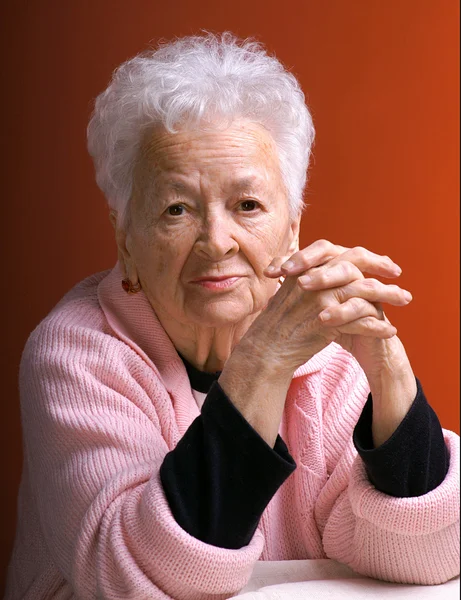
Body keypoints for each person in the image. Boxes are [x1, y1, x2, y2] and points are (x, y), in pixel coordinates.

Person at [5, 32, 459, 600]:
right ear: (126, 241)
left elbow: (424, 554)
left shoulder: (327, 359)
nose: (216, 242)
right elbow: (136, 581)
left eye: (247, 205)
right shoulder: (75, 355)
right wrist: (262, 362)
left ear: (292, 229)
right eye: (176, 209)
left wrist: (389, 368)